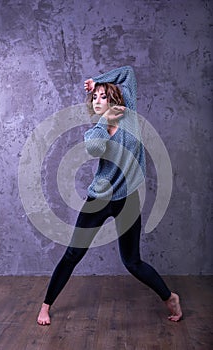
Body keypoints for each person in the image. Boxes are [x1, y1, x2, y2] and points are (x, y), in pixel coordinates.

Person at [37, 66, 182, 325]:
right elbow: (94, 148)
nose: (98, 100)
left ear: (115, 97)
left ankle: (170, 297)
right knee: (73, 254)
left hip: (128, 200)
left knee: (132, 262)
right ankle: (45, 306)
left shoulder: (131, 115)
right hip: (99, 200)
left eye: (104, 96)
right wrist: (106, 118)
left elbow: (127, 73)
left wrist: (97, 82)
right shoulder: (95, 131)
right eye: (95, 97)